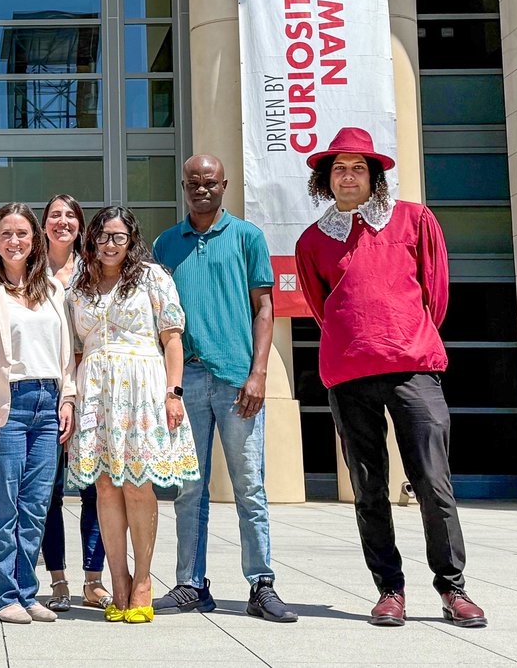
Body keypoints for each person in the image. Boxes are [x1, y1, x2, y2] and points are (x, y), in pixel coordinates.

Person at [294, 126, 487, 629]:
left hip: (413, 367)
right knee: (368, 487)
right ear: (325, 180)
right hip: (348, 374)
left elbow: (436, 292)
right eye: (339, 170)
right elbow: (321, 309)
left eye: (359, 168)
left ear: (375, 177)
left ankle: (453, 588)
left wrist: (408, 334)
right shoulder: (313, 240)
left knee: (433, 483)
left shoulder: (413, 219)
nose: (349, 176)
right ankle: (390, 591)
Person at [152, 155, 297, 622]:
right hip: (188, 380)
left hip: (238, 381)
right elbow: (160, 320)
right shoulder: (166, 244)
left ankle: (261, 583)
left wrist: (258, 373)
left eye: (209, 182)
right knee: (188, 490)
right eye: (193, 182)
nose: (201, 189)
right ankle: (191, 584)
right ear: (182, 186)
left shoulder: (247, 237)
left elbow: (264, 308)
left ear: (224, 185)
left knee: (249, 487)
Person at [67, 206, 200, 623]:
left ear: (131, 240)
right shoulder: (79, 282)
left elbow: (172, 338)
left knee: (138, 483)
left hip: (142, 386)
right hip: (96, 391)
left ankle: (144, 580)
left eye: (118, 237)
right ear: (92, 239)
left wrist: (173, 393)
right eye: (103, 236)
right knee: (106, 485)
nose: (110, 244)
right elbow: (73, 346)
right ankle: (119, 581)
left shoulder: (151, 277)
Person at [0, 203, 76, 625]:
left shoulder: (52, 289)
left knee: (36, 506)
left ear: (35, 240)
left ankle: (27, 592)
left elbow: (64, 353)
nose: (14, 241)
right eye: (6, 233)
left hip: (48, 403)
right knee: (3, 505)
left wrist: (69, 398)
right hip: (3, 403)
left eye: (22, 233)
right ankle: (4, 594)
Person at [39, 194, 109, 613]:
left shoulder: (94, 271)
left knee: (93, 487)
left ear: (80, 225)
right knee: (48, 490)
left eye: (70, 216)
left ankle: (94, 579)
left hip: (93, 389)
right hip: (45, 388)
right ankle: (58, 578)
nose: (62, 222)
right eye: (54, 215)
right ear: (44, 224)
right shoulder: (29, 269)